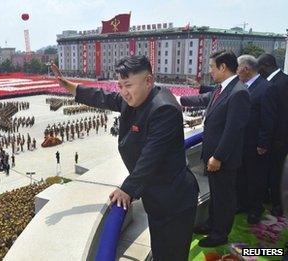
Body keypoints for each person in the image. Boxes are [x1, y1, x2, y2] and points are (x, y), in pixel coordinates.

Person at [52, 55, 199, 261]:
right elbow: (103, 97)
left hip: (174, 200)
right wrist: (70, 86)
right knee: (161, 249)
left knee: (172, 253)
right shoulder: (137, 97)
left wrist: (127, 189)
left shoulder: (163, 108)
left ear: (149, 81)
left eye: (128, 85)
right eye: (120, 85)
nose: (123, 92)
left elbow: (151, 157)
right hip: (158, 197)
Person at [180, 50, 250, 247]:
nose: (210, 70)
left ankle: (219, 236)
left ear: (223, 67)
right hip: (215, 156)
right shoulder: (224, 89)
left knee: (225, 198)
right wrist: (179, 101)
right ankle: (212, 224)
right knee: (217, 194)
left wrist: (218, 157)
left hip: (224, 159)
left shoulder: (239, 92)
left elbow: (233, 130)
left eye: (211, 67)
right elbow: (205, 99)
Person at [234, 55, 272, 224]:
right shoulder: (243, 85)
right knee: (242, 176)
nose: (236, 72)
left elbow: (268, 117)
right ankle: (242, 204)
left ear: (246, 69)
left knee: (255, 177)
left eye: (237, 68)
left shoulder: (265, 87)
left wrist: (263, 142)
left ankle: (256, 209)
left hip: (255, 143)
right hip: (241, 142)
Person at [257, 53, 288, 217]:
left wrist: (278, 139)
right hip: (277, 138)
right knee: (273, 171)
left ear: (267, 64)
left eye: (260, 67)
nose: (258, 71)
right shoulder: (281, 80)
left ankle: (277, 205)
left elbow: (279, 115)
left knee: (276, 172)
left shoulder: (279, 83)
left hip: (278, 139)